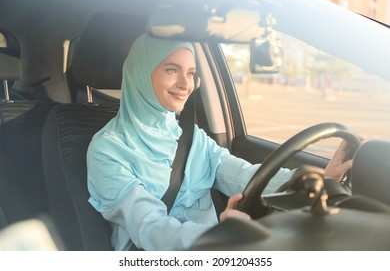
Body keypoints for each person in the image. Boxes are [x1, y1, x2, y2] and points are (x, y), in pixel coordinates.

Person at [86, 33, 354, 251]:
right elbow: (149, 227)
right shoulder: (108, 150)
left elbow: (246, 176)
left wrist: (314, 179)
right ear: (141, 74)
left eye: (191, 73)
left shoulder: (192, 138)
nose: (185, 84)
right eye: (171, 69)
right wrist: (216, 236)